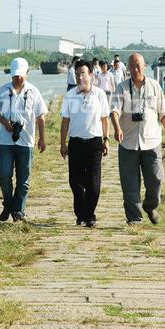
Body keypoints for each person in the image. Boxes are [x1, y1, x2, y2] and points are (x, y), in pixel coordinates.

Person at [110, 53, 165, 225]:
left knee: (156, 178)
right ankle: (134, 218)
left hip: (152, 141)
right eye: (132, 66)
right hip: (128, 142)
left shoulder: (155, 87)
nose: (135, 69)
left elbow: (164, 114)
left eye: (138, 65)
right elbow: (115, 111)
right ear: (128, 68)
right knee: (130, 184)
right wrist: (117, 128)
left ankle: (150, 206)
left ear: (145, 66)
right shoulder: (122, 88)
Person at [0, 57, 48, 222]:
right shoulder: (3, 91)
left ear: (27, 74)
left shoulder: (33, 92)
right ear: (11, 75)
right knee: (4, 172)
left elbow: (41, 116)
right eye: (15, 76)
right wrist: (5, 123)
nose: (18, 78)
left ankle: (19, 210)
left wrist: (42, 139)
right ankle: (8, 203)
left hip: (26, 141)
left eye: (21, 75)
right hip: (7, 141)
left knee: (23, 179)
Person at [60, 60, 110, 227]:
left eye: (83, 73)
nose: (80, 76)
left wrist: (106, 139)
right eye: (77, 74)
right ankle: (81, 214)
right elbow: (65, 121)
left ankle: (89, 215)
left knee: (94, 184)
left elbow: (104, 119)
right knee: (76, 182)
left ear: (91, 75)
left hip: (95, 143)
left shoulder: (100, 94)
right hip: (75, 143)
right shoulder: (70, 95)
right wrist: (62, 143)